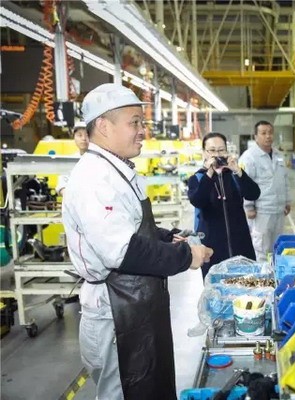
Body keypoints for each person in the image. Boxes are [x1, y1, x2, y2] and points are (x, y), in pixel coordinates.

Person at [62, 83, 213, 400]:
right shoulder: (94, 179)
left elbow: (129, 227)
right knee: (126, 391)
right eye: (135, 122)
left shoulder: (115, 170)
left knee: (149, 387)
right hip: (115, 312)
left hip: (134, 302)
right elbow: (121, 250)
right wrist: (186, 256)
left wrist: (167, 237)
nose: (143, 131)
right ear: (104, 126)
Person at [188, 132, 260, 277]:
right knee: (215, 286)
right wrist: (209, 174)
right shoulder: (198, 178)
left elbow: (254, 193)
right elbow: (198, 200)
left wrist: (238, 171)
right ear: (204, 153)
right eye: (212, 150)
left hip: (241, 243)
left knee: (246, 284)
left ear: (227, 151)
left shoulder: (234, 175)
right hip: (212, 246)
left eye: (221, 150)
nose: (217, 155)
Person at [239, 121, 291, 262]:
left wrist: (287, 201)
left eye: (270, 132)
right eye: (263, 133)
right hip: (261, 211)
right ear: (256, 136)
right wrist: (248, 207)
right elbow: (244, 183)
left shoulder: (279, 155)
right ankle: (262, 275)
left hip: (278, 210)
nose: (268, 136)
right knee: (261, 249)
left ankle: (275, 273)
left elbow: (284, 179)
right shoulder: (249, 157)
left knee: (278, 248)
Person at [56, 121, 89, 195]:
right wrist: (69, 196)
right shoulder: (70, 160)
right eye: (79, 135)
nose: (84, 138)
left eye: (87, 135)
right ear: (74, 137)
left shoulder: (100, 159)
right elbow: (61, 184)